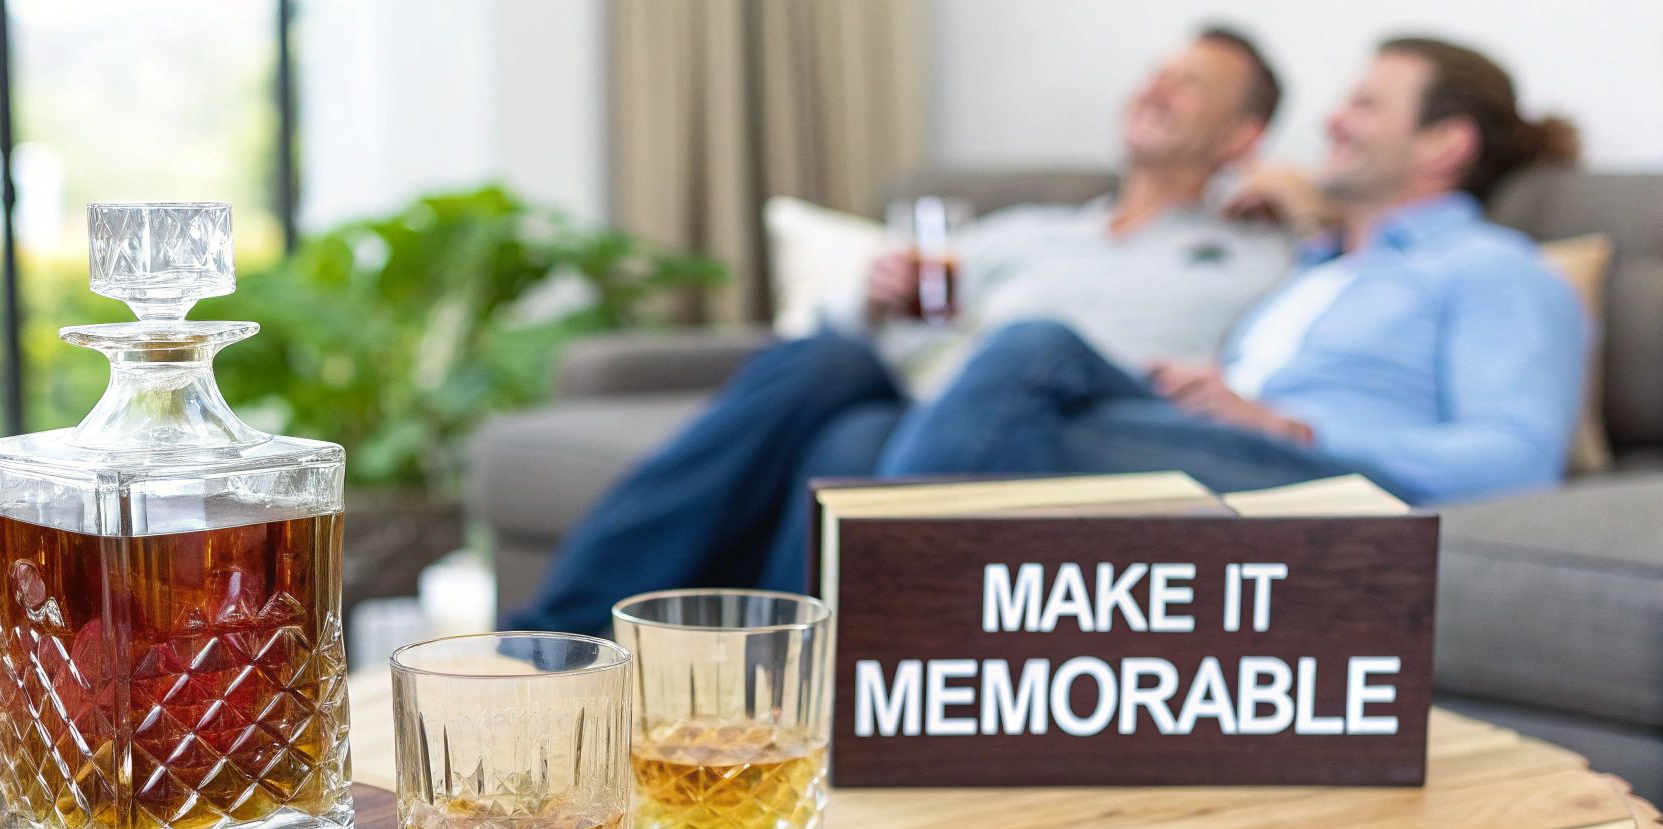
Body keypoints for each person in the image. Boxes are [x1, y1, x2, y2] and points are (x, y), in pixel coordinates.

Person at [506, 34, 1584, 640]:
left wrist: (1285, 417)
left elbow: (1515, 453)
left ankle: (825, 678)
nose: (1335, 124)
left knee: (1028, 346)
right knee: (849, 410)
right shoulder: (1324, 260)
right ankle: (743, 688)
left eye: (1365, 106)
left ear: (1444, 143)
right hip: (1181, 426)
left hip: (1312, 469)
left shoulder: (1489, 269)